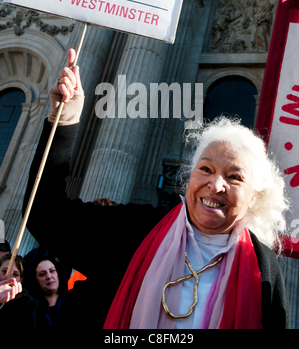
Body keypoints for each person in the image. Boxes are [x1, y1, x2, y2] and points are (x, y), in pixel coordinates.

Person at [23, 48, 291, 329]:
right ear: (190, 177)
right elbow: (45, 214)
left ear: (254, 198)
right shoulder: (137, 230)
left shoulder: (263, 267)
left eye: (234, 177)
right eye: (206, 169)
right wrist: (64, 121)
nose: (215, 185)